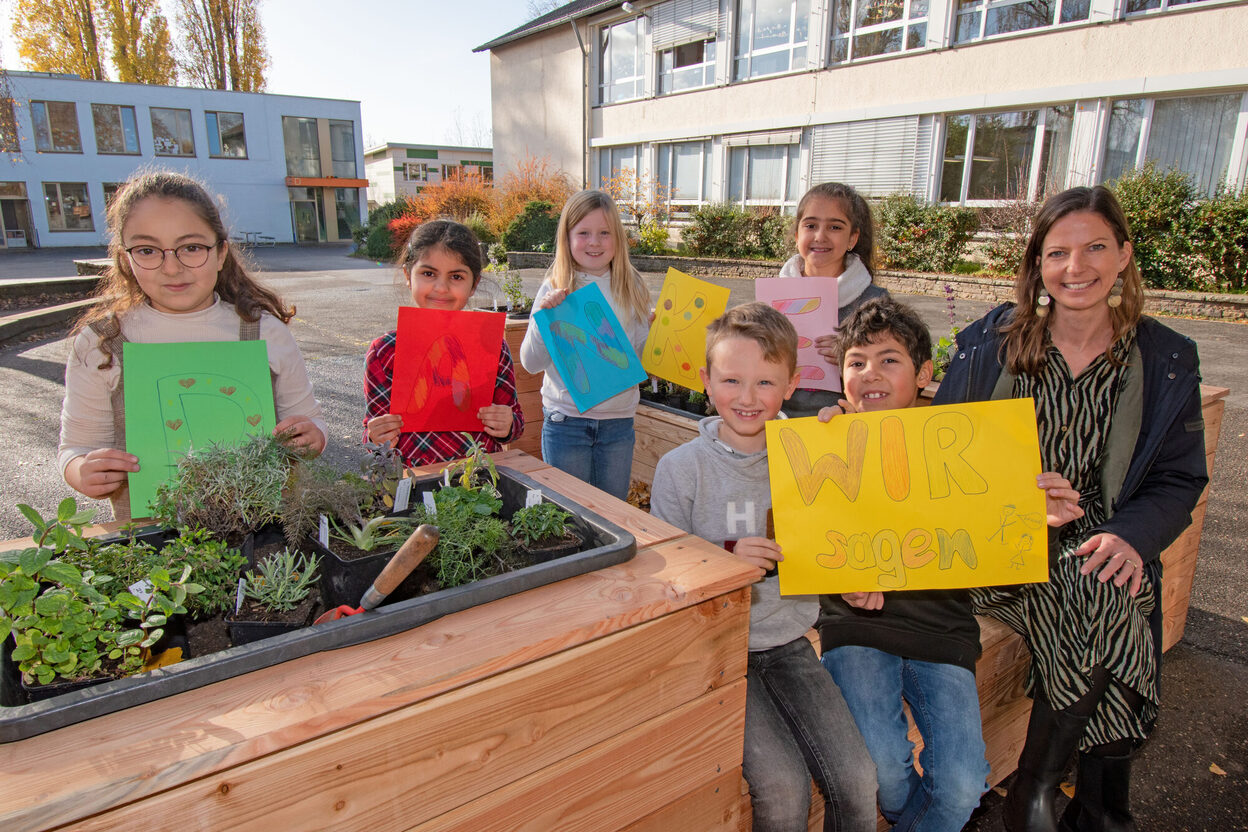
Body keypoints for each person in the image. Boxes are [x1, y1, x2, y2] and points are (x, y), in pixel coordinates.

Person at [934, 186, 1208, 832]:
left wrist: (1130, 538)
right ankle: (1094, 804)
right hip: (999, 549)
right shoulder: (991, 342)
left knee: (1103, 580)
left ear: (1124, 256)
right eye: (1057, 253)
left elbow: (1178, 478)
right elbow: (938, 456)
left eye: (1094, 249)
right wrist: (1012, 498)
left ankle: (1038, 788)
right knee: (1113, 604)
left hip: (1098, 544)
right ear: (1037, 264)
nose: (1075, 268)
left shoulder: (1163, 357)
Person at [651, 301, 877, 832]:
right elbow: (664, 577)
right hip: (719, 653)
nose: (748, 398)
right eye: (732, 380)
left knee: (859, 778)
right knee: (781, 787)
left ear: (793, 384)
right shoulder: (679, 469)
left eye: (765, 382)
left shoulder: (810, 452)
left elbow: (839, 538)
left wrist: (855, 580)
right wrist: (723, 558)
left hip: (790, 642)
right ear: (706, 382)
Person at [59, 169, 326, 522]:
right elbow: (75, 447)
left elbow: (310, 422)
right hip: (153, 547)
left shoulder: (264, 331)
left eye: (192, 248)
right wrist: (81, 471)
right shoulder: (101, 343)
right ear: (126, 259)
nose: (172, 267)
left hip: (260, 536)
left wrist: (311, 438)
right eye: (148, 250)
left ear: (220, 254)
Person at [519, 190, 651, 500]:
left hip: (618, 424)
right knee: (569, 516)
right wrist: (543, 320)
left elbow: (639, 358)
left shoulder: (632, 286)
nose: (595, 242)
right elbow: (530, 362)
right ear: (567, 238)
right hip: (567, 423)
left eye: (605, 233)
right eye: (584, 233)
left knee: (613, 514)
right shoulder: (555, 288)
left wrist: (655, 334)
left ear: (617, 238)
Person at [364, 220, 523, 467]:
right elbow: (372, 435)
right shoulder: (384, 352)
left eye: (456, 276)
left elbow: (515, 424)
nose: (441, 288)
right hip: (413, 482)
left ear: (474, 284)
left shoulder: (491, 347)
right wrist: (376, 435)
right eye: (428, 274)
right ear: (408, 275)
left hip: (477, 483)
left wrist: (507, 423)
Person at [773, 182, 891, 417]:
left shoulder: (875, 302)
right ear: (797, 235)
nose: (820, 236)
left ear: (852, 239)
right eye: (811, 225)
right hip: (773, 421)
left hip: (839, 424)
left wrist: (851, 359)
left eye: (835, 227)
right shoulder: (772, 298)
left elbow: (887, 375)